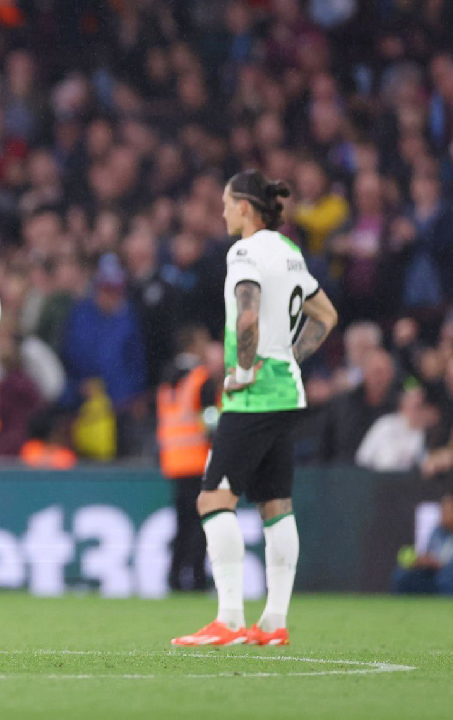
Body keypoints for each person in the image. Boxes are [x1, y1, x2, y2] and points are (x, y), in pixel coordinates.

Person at [173, 170, 338, 647]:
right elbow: (325, 315)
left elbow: (248, 311)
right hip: (287, 391)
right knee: (275, 506)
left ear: (245, 206)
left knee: (212, 500)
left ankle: (228, 618)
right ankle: (274, 622)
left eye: (226, 203)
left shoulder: (244, 252)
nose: (222, 213)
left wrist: (244, 370)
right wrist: (289, 357)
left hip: (255, 393)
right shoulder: (289, 252)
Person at [156, 325, 218, 592]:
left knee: (182, 523)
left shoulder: (167, 379)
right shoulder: (199, 379)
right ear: (193, 344)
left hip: (174, 461)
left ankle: (174, 576)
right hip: (198, 460)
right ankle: (196, 577)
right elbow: (209, 421)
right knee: (200, 524)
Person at [392, 493, 453, 595]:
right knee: (403, 574)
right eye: (442, 510)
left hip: (447, 575)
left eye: (446, 511)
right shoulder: (438, 531)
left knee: (448, 574)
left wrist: (440, 565)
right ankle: (401, 607)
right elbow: (430, 552)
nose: (442, 514)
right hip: (433, 573)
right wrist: (423, 560)